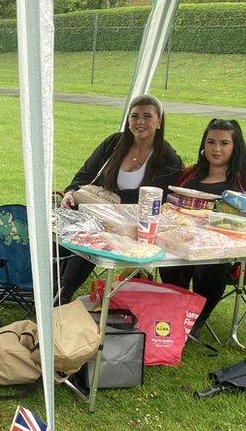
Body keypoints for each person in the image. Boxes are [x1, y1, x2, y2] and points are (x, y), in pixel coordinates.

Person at [56, 94, 184, 304]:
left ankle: (64, 291)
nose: (140, 122)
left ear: (159, 122)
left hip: (133, 227)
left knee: (94, 236)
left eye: (147, 117)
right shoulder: (115, 143)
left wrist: (119, 216)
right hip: (97, 213)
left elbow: (160, 202)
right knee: (64, 230)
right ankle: (50, 286)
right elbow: (84, 175)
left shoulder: (167, 158)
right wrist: (70, 192)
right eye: (134, 116)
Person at [159, 118, 246, 335]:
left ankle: (197, 318)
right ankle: (177, 311)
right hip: (184, 239)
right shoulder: (191, 174)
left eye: (224, 143)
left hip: (230, 249)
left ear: (236, 146)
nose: (216, 149)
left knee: (209, 261)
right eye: (211, 142)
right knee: (167, 256)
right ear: (204, 144)